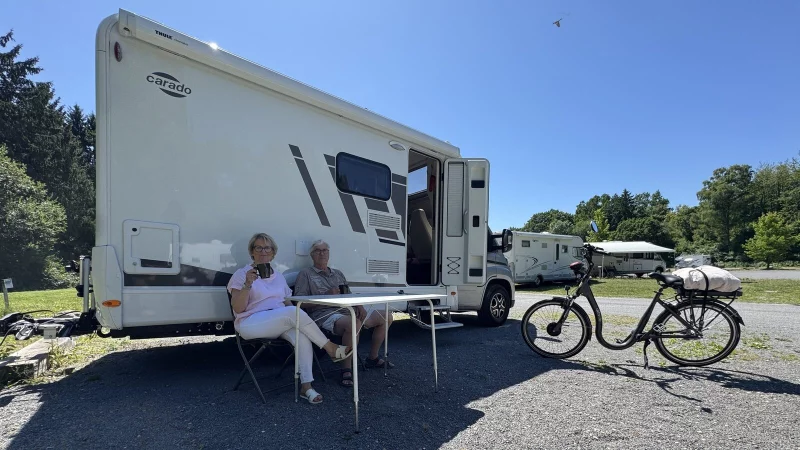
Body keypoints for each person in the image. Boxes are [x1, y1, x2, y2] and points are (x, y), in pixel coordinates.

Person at [227, 233, 351, 404]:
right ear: (252, 252)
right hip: (251, 323)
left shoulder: (278, 276)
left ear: (273, 253)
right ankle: (330, 348)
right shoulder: (241, 275)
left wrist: (303, 323)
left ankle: (306, 387)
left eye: (267, 248)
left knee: (301, 335)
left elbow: (286, 302)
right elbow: (238, 308)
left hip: (280, 321)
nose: (263, 251)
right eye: (259, 247)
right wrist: (247, 284)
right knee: (292, 312)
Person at [294, 240, 394, 387]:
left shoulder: (338, 273)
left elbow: (349, 294)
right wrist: (326, 296)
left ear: (329, 253)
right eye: (317, 250)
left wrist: (359, 306)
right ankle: (346, 369)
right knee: (353, 323)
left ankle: (372, 358)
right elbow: (298, 303)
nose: (322, 253)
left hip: (347, 310)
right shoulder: (305, 274)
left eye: (325, 250)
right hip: (324, 314)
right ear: (312, 255)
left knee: (386, 315)